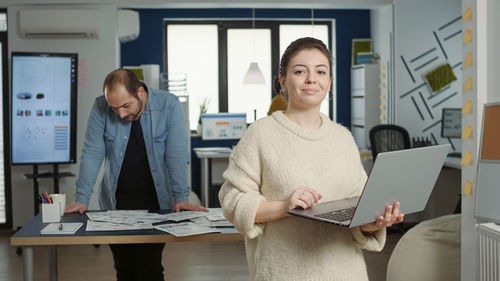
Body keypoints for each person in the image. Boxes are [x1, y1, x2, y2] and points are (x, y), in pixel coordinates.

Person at [218, 37, 404, 281]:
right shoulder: (260, 133)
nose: (311, 79)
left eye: (321, 71)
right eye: (299, 71)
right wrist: (286, 207)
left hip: (347, 273)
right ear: (283, 81)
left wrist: (376, 221)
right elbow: (233, 201)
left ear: (329, 82)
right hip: (282, 273)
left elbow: (359, 212)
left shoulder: (342, 138)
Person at [65, 69, 207, 281]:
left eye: (125, 106)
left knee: (147, 268)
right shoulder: (100, 107)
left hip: (156, 203)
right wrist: (81, 199)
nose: (121, 114)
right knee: (124, 269)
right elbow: (92, 152)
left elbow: (176, 155)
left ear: (140, 92)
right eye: (115, 109)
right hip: (115, 204)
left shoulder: (168, 105)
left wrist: (181, 197)